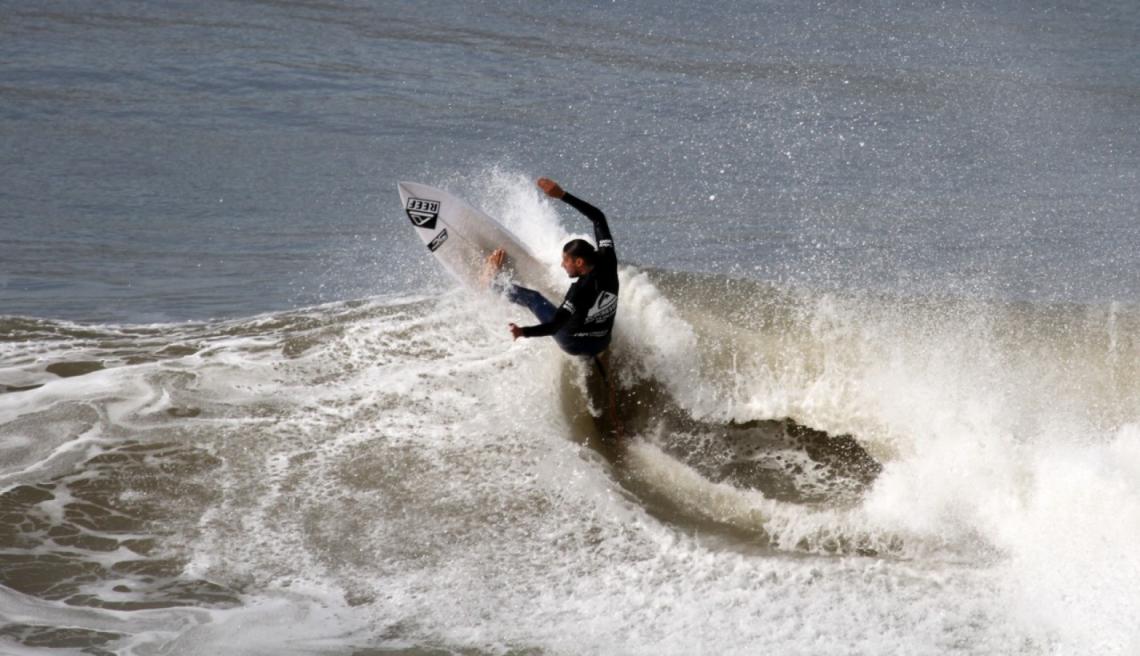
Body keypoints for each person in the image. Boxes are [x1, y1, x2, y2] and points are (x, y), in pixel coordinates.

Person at [486, 177, 618, 358]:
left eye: (566, 261)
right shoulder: (608, 260)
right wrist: (562, 195)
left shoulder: (579, 291)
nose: (563, 265)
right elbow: (598, 217)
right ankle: (593, 358)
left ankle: (493, 284)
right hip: (603, 341)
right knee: (584, 319)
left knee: (534, 298)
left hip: (573, 344)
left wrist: (523, 332)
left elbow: (555, 326)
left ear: (579, 262)